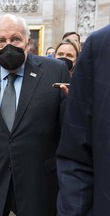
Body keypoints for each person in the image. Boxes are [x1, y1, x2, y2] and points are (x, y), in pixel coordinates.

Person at [0, 14, 69, 216]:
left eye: (15, 39)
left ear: (28, 41)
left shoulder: (55, 71)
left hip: (39, 183)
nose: (8, 45)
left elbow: (65, 132)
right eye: (1, 41)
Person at [56, 25, 110, 216]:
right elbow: (76, 156)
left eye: (69, 56)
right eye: (60, 53)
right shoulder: (102, 45)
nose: (64, 59)